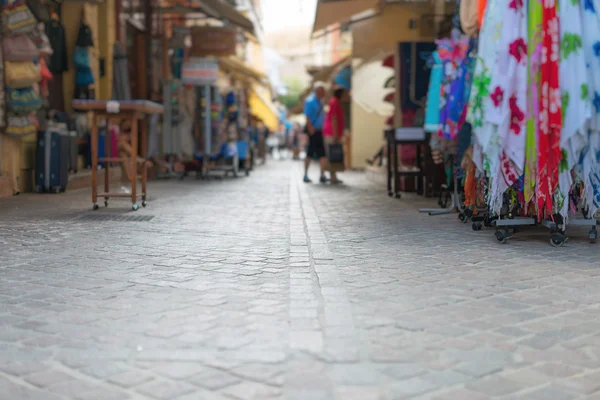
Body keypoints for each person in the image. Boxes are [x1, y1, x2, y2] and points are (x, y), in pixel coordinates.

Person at [303, 81, 328, 183]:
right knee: (310, 152)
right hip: (313, 130)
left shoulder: (321, 102)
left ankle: (322, 174)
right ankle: (305, 174)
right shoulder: (310, 101)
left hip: (320, 130)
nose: (322, 93)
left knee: (322, 153)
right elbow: (308, 117)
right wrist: (310, 129)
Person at [323, 86, 348, 184]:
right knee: (332, 154)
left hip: (333, 132)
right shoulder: (334, 102)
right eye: (345, 93)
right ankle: (332, 176)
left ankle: (333, 175)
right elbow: (334, 118)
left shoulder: (335, 102)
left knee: (333, 153)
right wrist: (335, 134)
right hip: (331, 132)